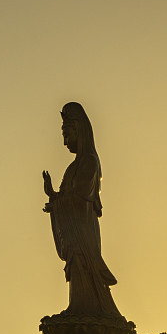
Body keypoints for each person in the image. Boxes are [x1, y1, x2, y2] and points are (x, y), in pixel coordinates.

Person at [42, 102, 123, 318]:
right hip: (73, 228)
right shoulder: (73, 167)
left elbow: (81, 196)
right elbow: (67, 197)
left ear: (81, 131)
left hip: (83, 228)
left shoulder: (89, 161)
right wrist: (53, 196)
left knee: (82, 263)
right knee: (74, 264)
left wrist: (58, 202)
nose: (65, 142)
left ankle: (86, 308)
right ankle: (77, 305)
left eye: (67, 135)